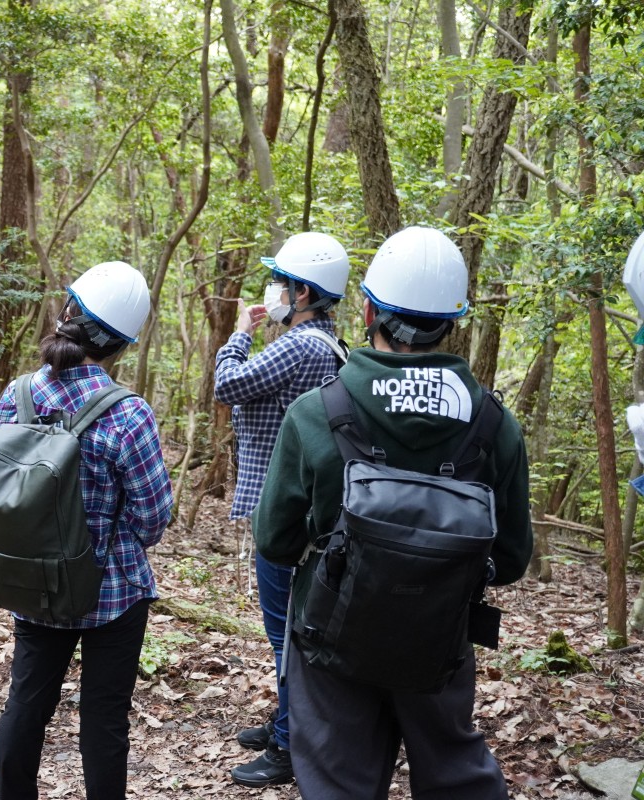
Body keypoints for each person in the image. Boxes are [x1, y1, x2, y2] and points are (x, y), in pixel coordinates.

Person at [253, 226, 533, 798]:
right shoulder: (493, 425)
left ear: (367, 310)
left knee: (337, 780)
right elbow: (509, 559)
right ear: (452, 323)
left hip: (330, 637)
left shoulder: (317, 412)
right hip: (440, 639)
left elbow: (276, 541)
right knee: (455, 772)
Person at [0, 261, 174, 800]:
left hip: (35, 579)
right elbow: (152, 516)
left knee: (26, 702)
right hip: (112, 588)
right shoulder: (128, 414)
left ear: (66, 314)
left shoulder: (19, 395)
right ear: (122, 345)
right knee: (104, 717)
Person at [212, 231, 350, 787]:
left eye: (282, 283)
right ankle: (287, 722)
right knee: (295, 627)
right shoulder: (333, 346)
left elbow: (228, 385)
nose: (272, 291)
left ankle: (292, 745)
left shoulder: (301, 344)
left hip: (284, 511)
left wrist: (239, 336)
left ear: (303, 293)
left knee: (286, 634)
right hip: (308, 509)